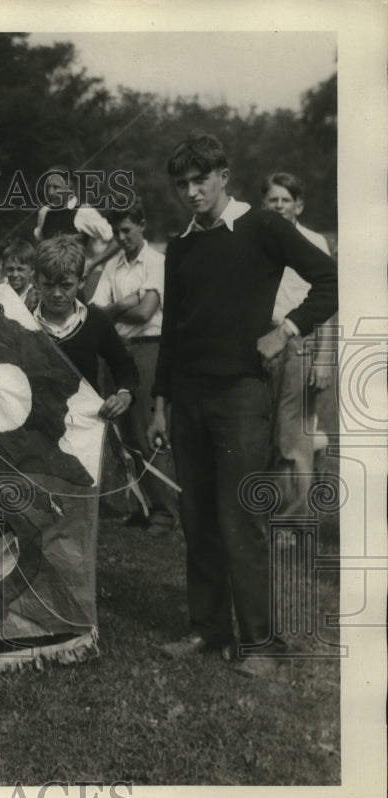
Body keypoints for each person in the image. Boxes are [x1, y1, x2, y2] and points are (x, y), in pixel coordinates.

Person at [148, 132, 337, 678]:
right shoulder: (181, 245)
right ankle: (208, 630)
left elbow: (330, 281)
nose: (189, 192)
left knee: (239, 518)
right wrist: (160, 404)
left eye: (199, 181)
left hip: (242, 394)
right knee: (197, 516)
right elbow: (173, 336)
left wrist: (288, 329)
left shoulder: (263, 226)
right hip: (187, 396)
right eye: (181, 184)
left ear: (223, 176)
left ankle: (261, 644)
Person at [90, 199, 178, 536]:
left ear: (141, 225)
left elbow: (145, 314)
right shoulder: (113, 267)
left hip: (148, 350)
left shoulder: (156, 262)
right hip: (118, 352)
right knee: (123, 436)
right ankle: (143, 506)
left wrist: (118, 309)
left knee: (147, 432)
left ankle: (167, 512)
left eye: (127, 230)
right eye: (116, 232)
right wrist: (124, 303)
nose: (122, 237)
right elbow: (95, 314)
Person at [260, 172, 337, 516]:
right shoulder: (257, 241)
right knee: (267, 432)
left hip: (300, 343)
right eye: (272, 200)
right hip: (263, 341)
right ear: (263, 204)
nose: (278, 206)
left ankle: (292, 523)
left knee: (293, 436)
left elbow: (329, 304)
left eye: (285, 200)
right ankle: (270, 509)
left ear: (299, 205)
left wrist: (323, 358)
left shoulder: (313, 241)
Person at [31, 236, 137, 422]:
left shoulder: (96, 320)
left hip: (85, 428)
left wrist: (124, 393)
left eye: (66, 286)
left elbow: (123, 365)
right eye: (48, 285)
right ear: (35, 280)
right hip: (36, 430)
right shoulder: (22, 322)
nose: (56, 294)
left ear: (82, 280)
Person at [33, 167, 118, 302]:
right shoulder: (44, 212)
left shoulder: (83, 212)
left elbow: (117, 239)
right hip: (48, 287)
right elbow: (40, 242)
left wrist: (91, 264)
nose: (50, 192)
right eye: (48, 187)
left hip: (73, 287)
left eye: (56, 187)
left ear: (70, 188)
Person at [1, 239, 40, 312]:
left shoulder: (38, 300)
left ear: (32, 269)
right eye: (10, 269)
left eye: (20, 269)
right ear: (3, 269)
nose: (15, 274)